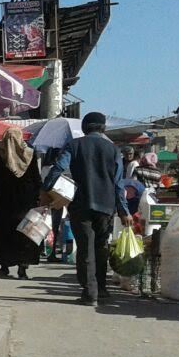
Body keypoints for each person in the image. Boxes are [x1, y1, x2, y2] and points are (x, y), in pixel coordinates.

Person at [42, 111, 132, 307]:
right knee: (101, 247)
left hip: (80, 205)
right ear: (104, 128)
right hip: (106, 206)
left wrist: (47, 187)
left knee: (85, 249)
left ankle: (90, 292)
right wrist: (124, 210)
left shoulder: (74, 145)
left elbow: (58, 167)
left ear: (84, 128)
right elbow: (118, 184)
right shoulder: (113, 149)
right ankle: (102, 289)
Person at [0, 128, 41, 279]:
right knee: (25, 235)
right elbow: (37, 180)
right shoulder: (30, 155)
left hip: (3, 205)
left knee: (3, 235)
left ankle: (4, 266)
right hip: (26, 204)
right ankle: (23, 268)